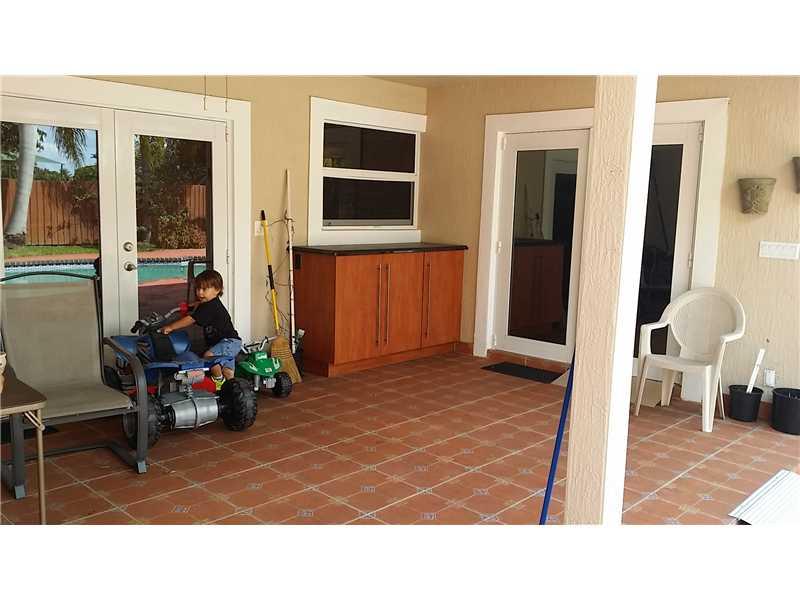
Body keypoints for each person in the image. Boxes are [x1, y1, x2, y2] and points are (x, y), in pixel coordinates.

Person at [161, 269, 241, 390]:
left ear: (217, 290)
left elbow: (191, 319)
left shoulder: (211, 306)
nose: (200, 292)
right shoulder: (209, 303)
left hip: (228, 342)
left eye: (204, 289)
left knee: (209, 356)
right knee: (227, 370)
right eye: (198, 289)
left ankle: (219, 382)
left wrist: (170, 327)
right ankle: (232, 390)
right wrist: (193, 305)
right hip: (231, 342)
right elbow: (198, 305)